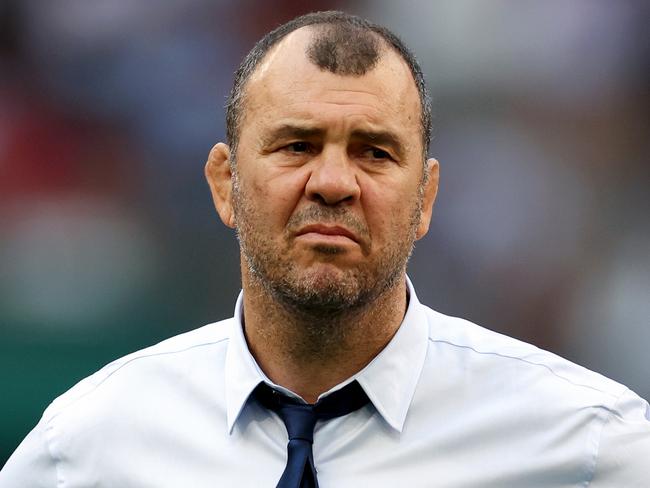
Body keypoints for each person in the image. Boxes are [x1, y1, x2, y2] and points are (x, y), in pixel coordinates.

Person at [1, 10, 649, 488]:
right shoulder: (87, 448)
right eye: (296, 146)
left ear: (425, 199)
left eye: (375, 151)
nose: (334, 183)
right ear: (225, 184)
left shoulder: (586, 443)